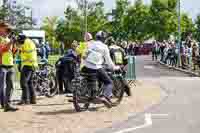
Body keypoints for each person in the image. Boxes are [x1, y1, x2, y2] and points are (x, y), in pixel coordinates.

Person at [82, 31, 120, 108]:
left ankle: (90, 94)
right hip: (95, 68)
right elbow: (109, 62)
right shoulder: (104, 47)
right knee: (109, 82)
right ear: (104, 39)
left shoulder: (89, 44)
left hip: (85, 67)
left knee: (92, 79)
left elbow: (84, 55)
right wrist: (115, 67)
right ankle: (104, 97)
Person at [0, 22, 18, 112]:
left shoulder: (8, 39)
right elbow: (2, 49)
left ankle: (8, 104)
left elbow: (13, 52)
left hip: (10, 65)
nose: (8, 30)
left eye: (9, 29)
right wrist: (11, 42)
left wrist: (15, 45)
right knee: (2, 86)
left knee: (10, 86)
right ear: (1, 28)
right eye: (6, 28)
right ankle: (3, 104)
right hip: (2, 65)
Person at [17, 34, 38, 105]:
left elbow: (25, 54)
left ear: (22, 39)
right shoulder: (30, 42)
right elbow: (23, 53)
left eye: (20, 41)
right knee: (29, 83)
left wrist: (21, 63)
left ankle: (25, 100)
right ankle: (33, 99)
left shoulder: (26, 43)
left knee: (23, 82)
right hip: (33, 65)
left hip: (28, 65)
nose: (19, 43)